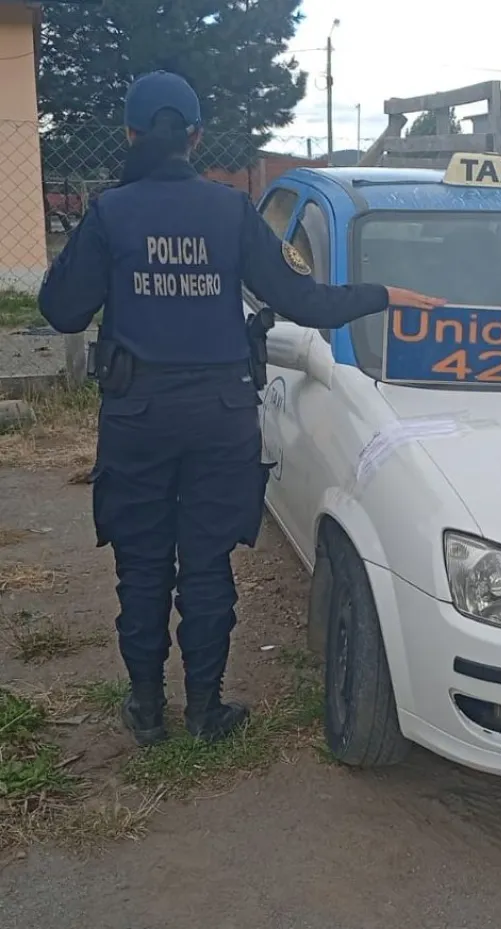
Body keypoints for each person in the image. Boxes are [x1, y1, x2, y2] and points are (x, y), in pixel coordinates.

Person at [38, 71, 444, 747]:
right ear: (195, 137)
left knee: (141, 566)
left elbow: (61, 311)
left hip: (137, 416)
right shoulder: (231, 212)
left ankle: (147, 711)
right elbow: (304, 300)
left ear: (131, 135)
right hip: (220, 415)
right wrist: (383, 294)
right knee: (207, 565)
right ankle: (205, 711)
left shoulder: (111, 212)